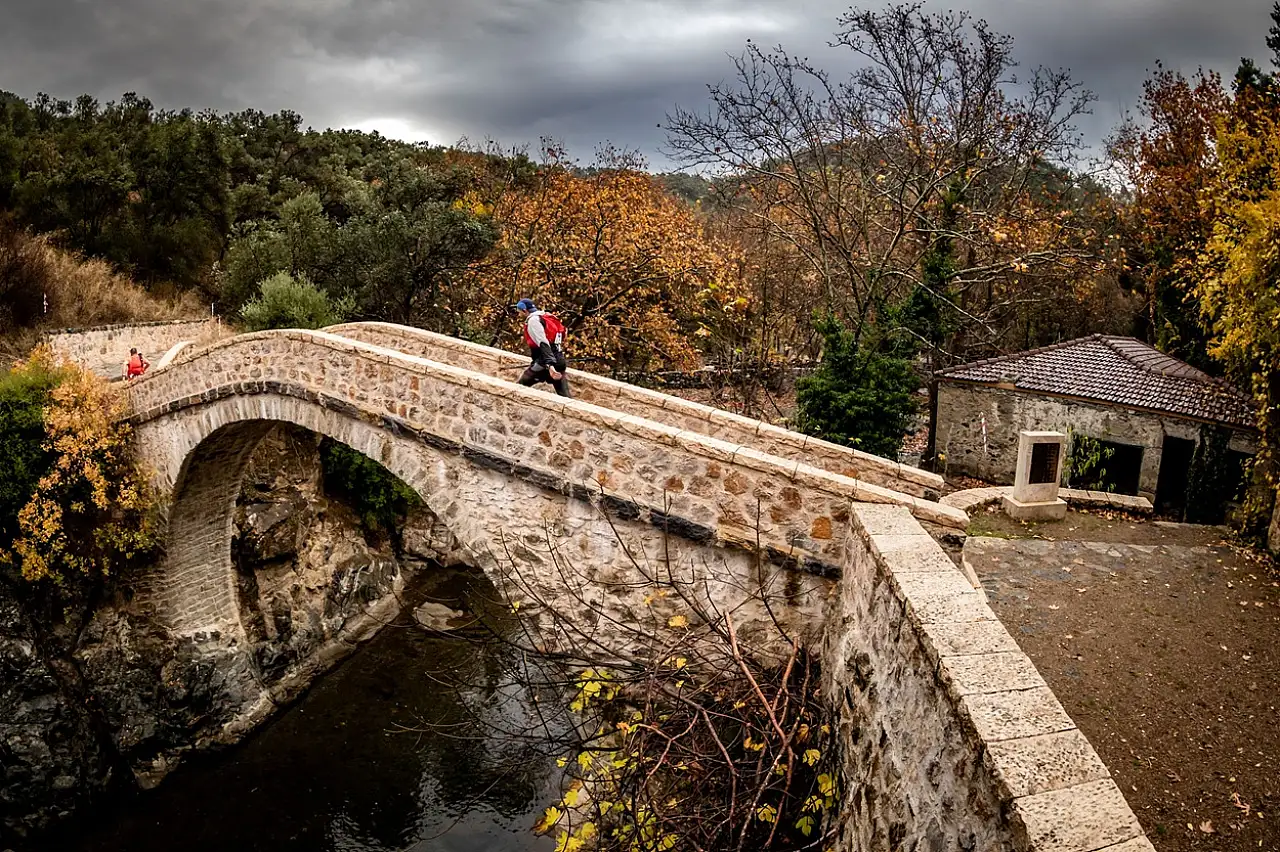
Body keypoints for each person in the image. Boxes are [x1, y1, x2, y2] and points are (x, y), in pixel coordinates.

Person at [512, 298, 570, 397]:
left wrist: (550, 365)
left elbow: (543, 343)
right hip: (560, 361)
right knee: (566, 397)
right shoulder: (547, 316)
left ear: (524, 310)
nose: (519, 315)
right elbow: (563, 333)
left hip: (545, 362)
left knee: (517, 389)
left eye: (519, 312)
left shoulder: (533, 321)